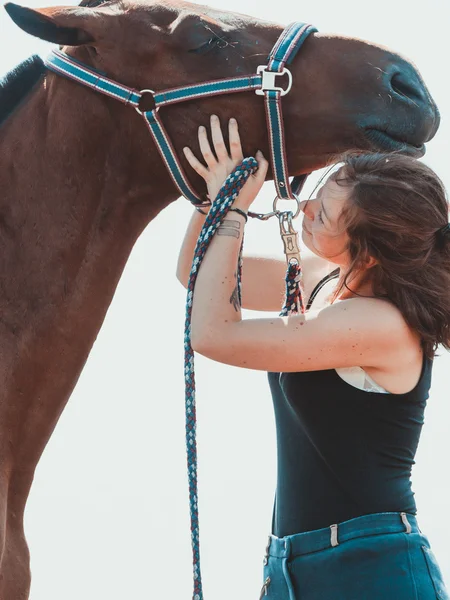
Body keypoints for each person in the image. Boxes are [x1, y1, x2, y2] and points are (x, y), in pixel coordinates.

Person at [176, 114, 450, 599]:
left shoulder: (380, 324)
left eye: (321, 215)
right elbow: (195, 276)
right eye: (317, 197)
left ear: (367, 256)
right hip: (290, 566)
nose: (302, 208)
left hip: (373, 568)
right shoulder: (323, 277)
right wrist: (214, 199)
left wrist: (234, 211)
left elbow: (213, 332)